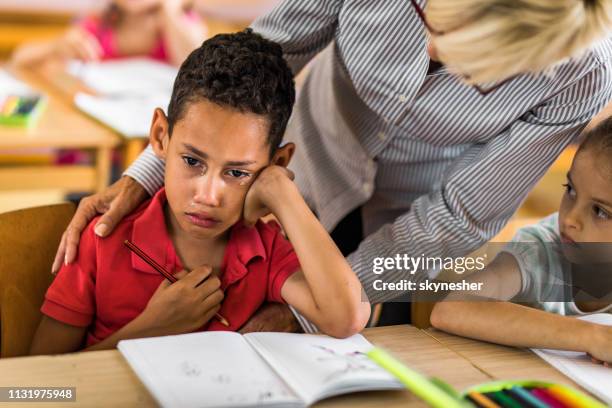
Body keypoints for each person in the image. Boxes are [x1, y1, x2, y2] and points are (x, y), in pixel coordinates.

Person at [53, 0, 612, 332]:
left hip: (414, 232)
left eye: (455, 47)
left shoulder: (580, 73)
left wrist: (318, 305)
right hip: (294, 172)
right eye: (423, 15)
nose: (428, 48)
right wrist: (146, 173)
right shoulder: (117, 250)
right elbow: (257, 58)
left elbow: (460, 216)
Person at [29, 30, 370, 355]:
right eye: (193, 161)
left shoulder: (264, 251)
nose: (208, 195)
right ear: (161, 136)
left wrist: (281, 190)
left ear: (277, 162)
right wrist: (150, 329)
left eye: (237, 173)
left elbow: (347, 317)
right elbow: (35, 386)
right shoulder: (103, 240)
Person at [430, 116, 612, 365]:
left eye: (600, 211)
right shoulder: (538, 249)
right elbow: (451, 309)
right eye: (570, 190)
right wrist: (593, 336)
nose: (570, 218)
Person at [10, 0, 205, 67]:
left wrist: (170, 9)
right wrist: (55, 48)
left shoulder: (185, 25)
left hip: (153, 151)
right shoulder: (99, 24)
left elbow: (194, 65)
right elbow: (18, 59)